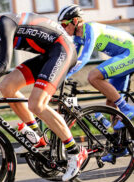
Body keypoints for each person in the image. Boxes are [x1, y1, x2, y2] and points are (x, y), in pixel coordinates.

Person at [0, 1, 88, 181]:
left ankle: (75, 153)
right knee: (7, 86)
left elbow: (2, 66)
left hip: (63, 50)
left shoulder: (3, 24)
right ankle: (37, 136)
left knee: (36, 104)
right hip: (49, 54)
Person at [57, 4, 134, 162]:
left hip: (130, 53)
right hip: (123, 55)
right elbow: (73, 59)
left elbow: (84, 58)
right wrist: (58, 73)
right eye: (61, 25)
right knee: (110, 103)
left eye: (65, 24)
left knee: (93, 76)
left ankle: (127, 109)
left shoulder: (90, 29)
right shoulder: (78, 37)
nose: (63, 28)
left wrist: (62, 77)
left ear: (76, 21)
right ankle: (120, 147)